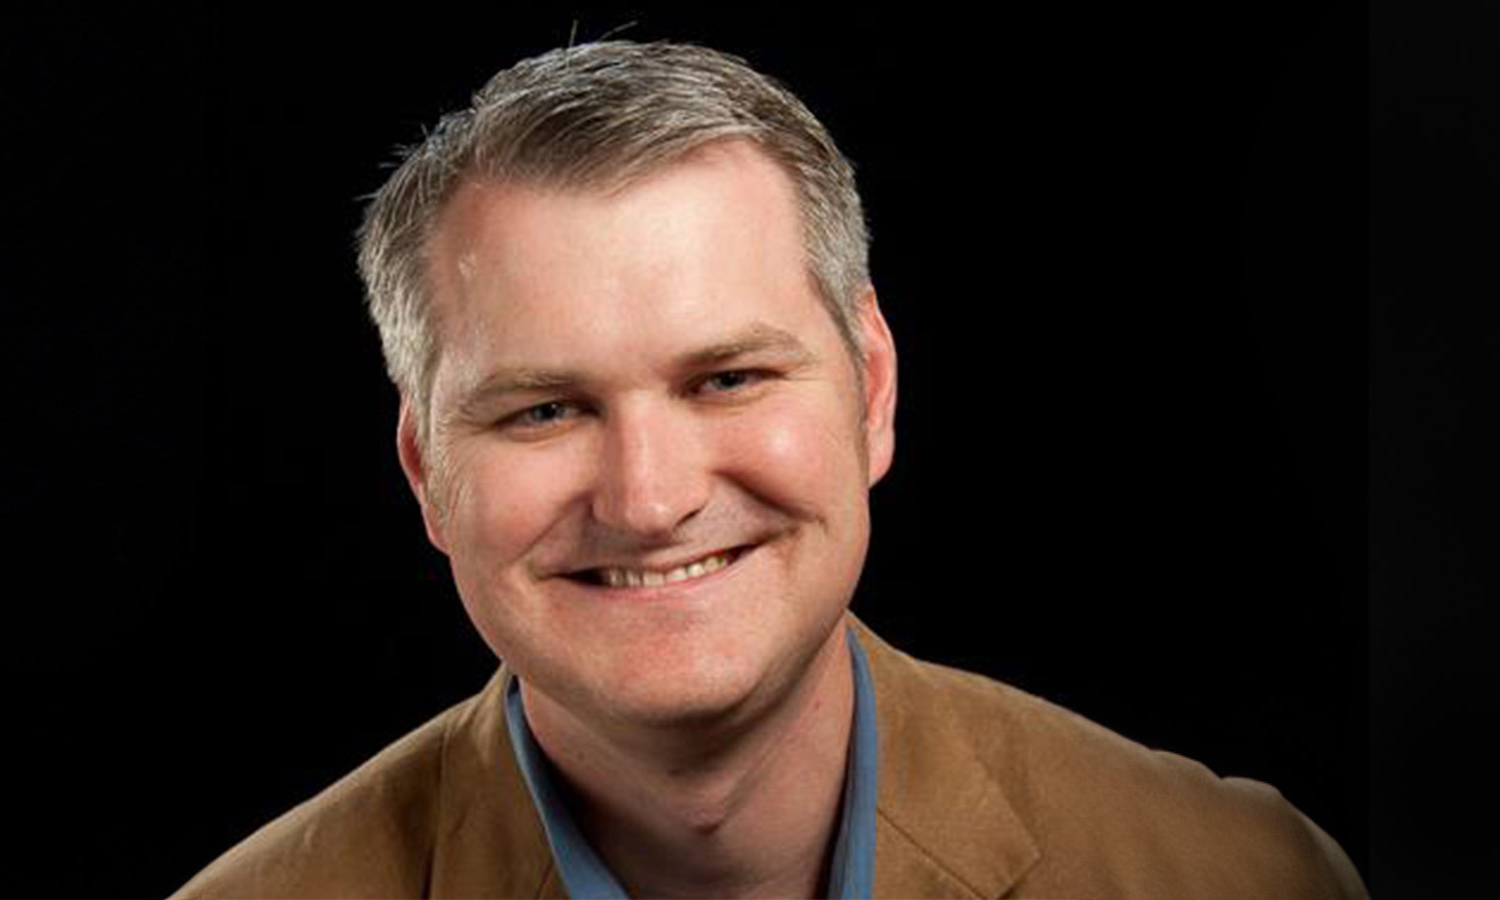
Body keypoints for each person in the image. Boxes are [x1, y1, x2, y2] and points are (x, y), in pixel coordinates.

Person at [170, 40, 1367, 899]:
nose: (649, 499)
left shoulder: (1236, 875)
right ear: (427, 472)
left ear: (874, 389)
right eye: (544, 409)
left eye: (727, 380)